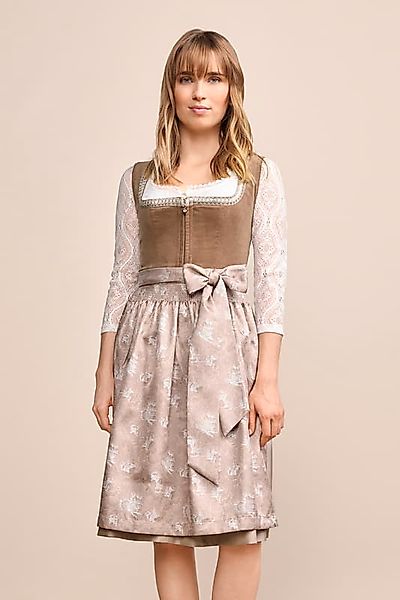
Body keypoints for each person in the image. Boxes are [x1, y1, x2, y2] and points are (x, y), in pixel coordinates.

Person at [92, 28, 287, 600]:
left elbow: (271, 282)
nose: (199, 92)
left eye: (214, 78)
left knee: (241, 518)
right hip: (151, 353)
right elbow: (122, 276)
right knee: (166, 518)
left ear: (231, 90)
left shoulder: (257, 175)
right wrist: (104, 370)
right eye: (186, 78)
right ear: (170, 90)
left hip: (228, 349)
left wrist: (267, 380)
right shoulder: (137, 180)